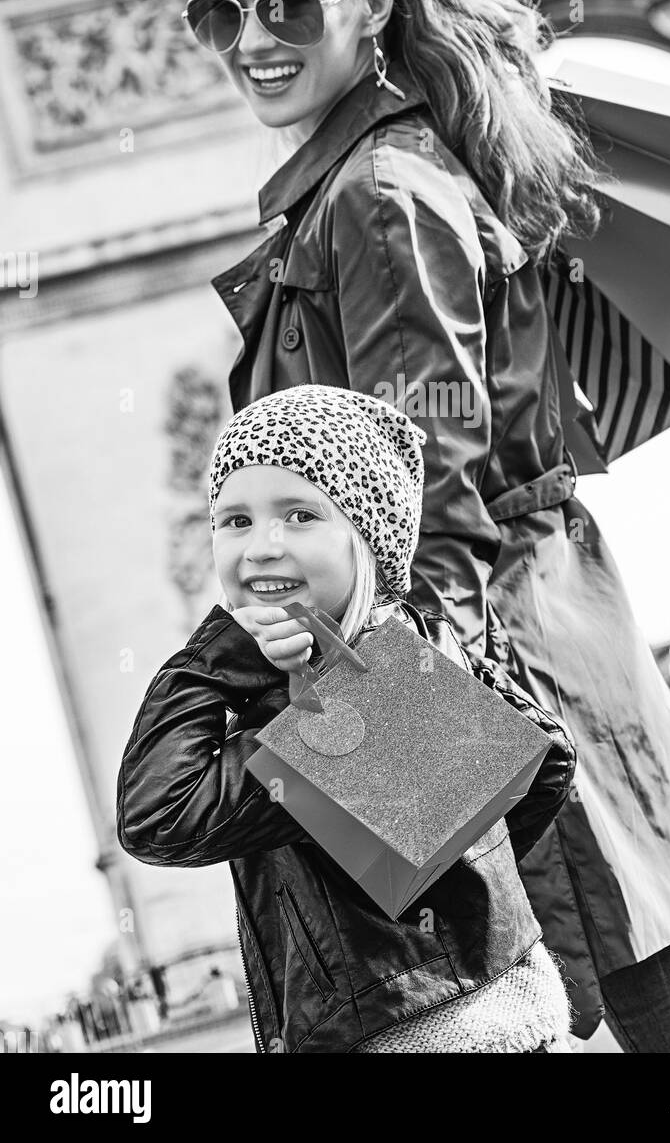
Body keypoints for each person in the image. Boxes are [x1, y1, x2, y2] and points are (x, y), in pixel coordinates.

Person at [185, 0, 670, 1051]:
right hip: (528, 695)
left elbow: (426, 521)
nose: (252, 41)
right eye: (217, 13)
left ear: (373, 3)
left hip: (503, 718)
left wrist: (413, 821)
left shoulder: (380, 200)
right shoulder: (365, 184)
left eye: (285, 3)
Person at [116, 385, 578, 1053]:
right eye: (234, 520)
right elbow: (550, 760)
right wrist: (453, 873)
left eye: (299, 515)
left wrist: (214, 659)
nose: (261, 547)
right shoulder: (416, 657)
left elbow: (157, 816)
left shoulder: (350, 698)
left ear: (367, 535)